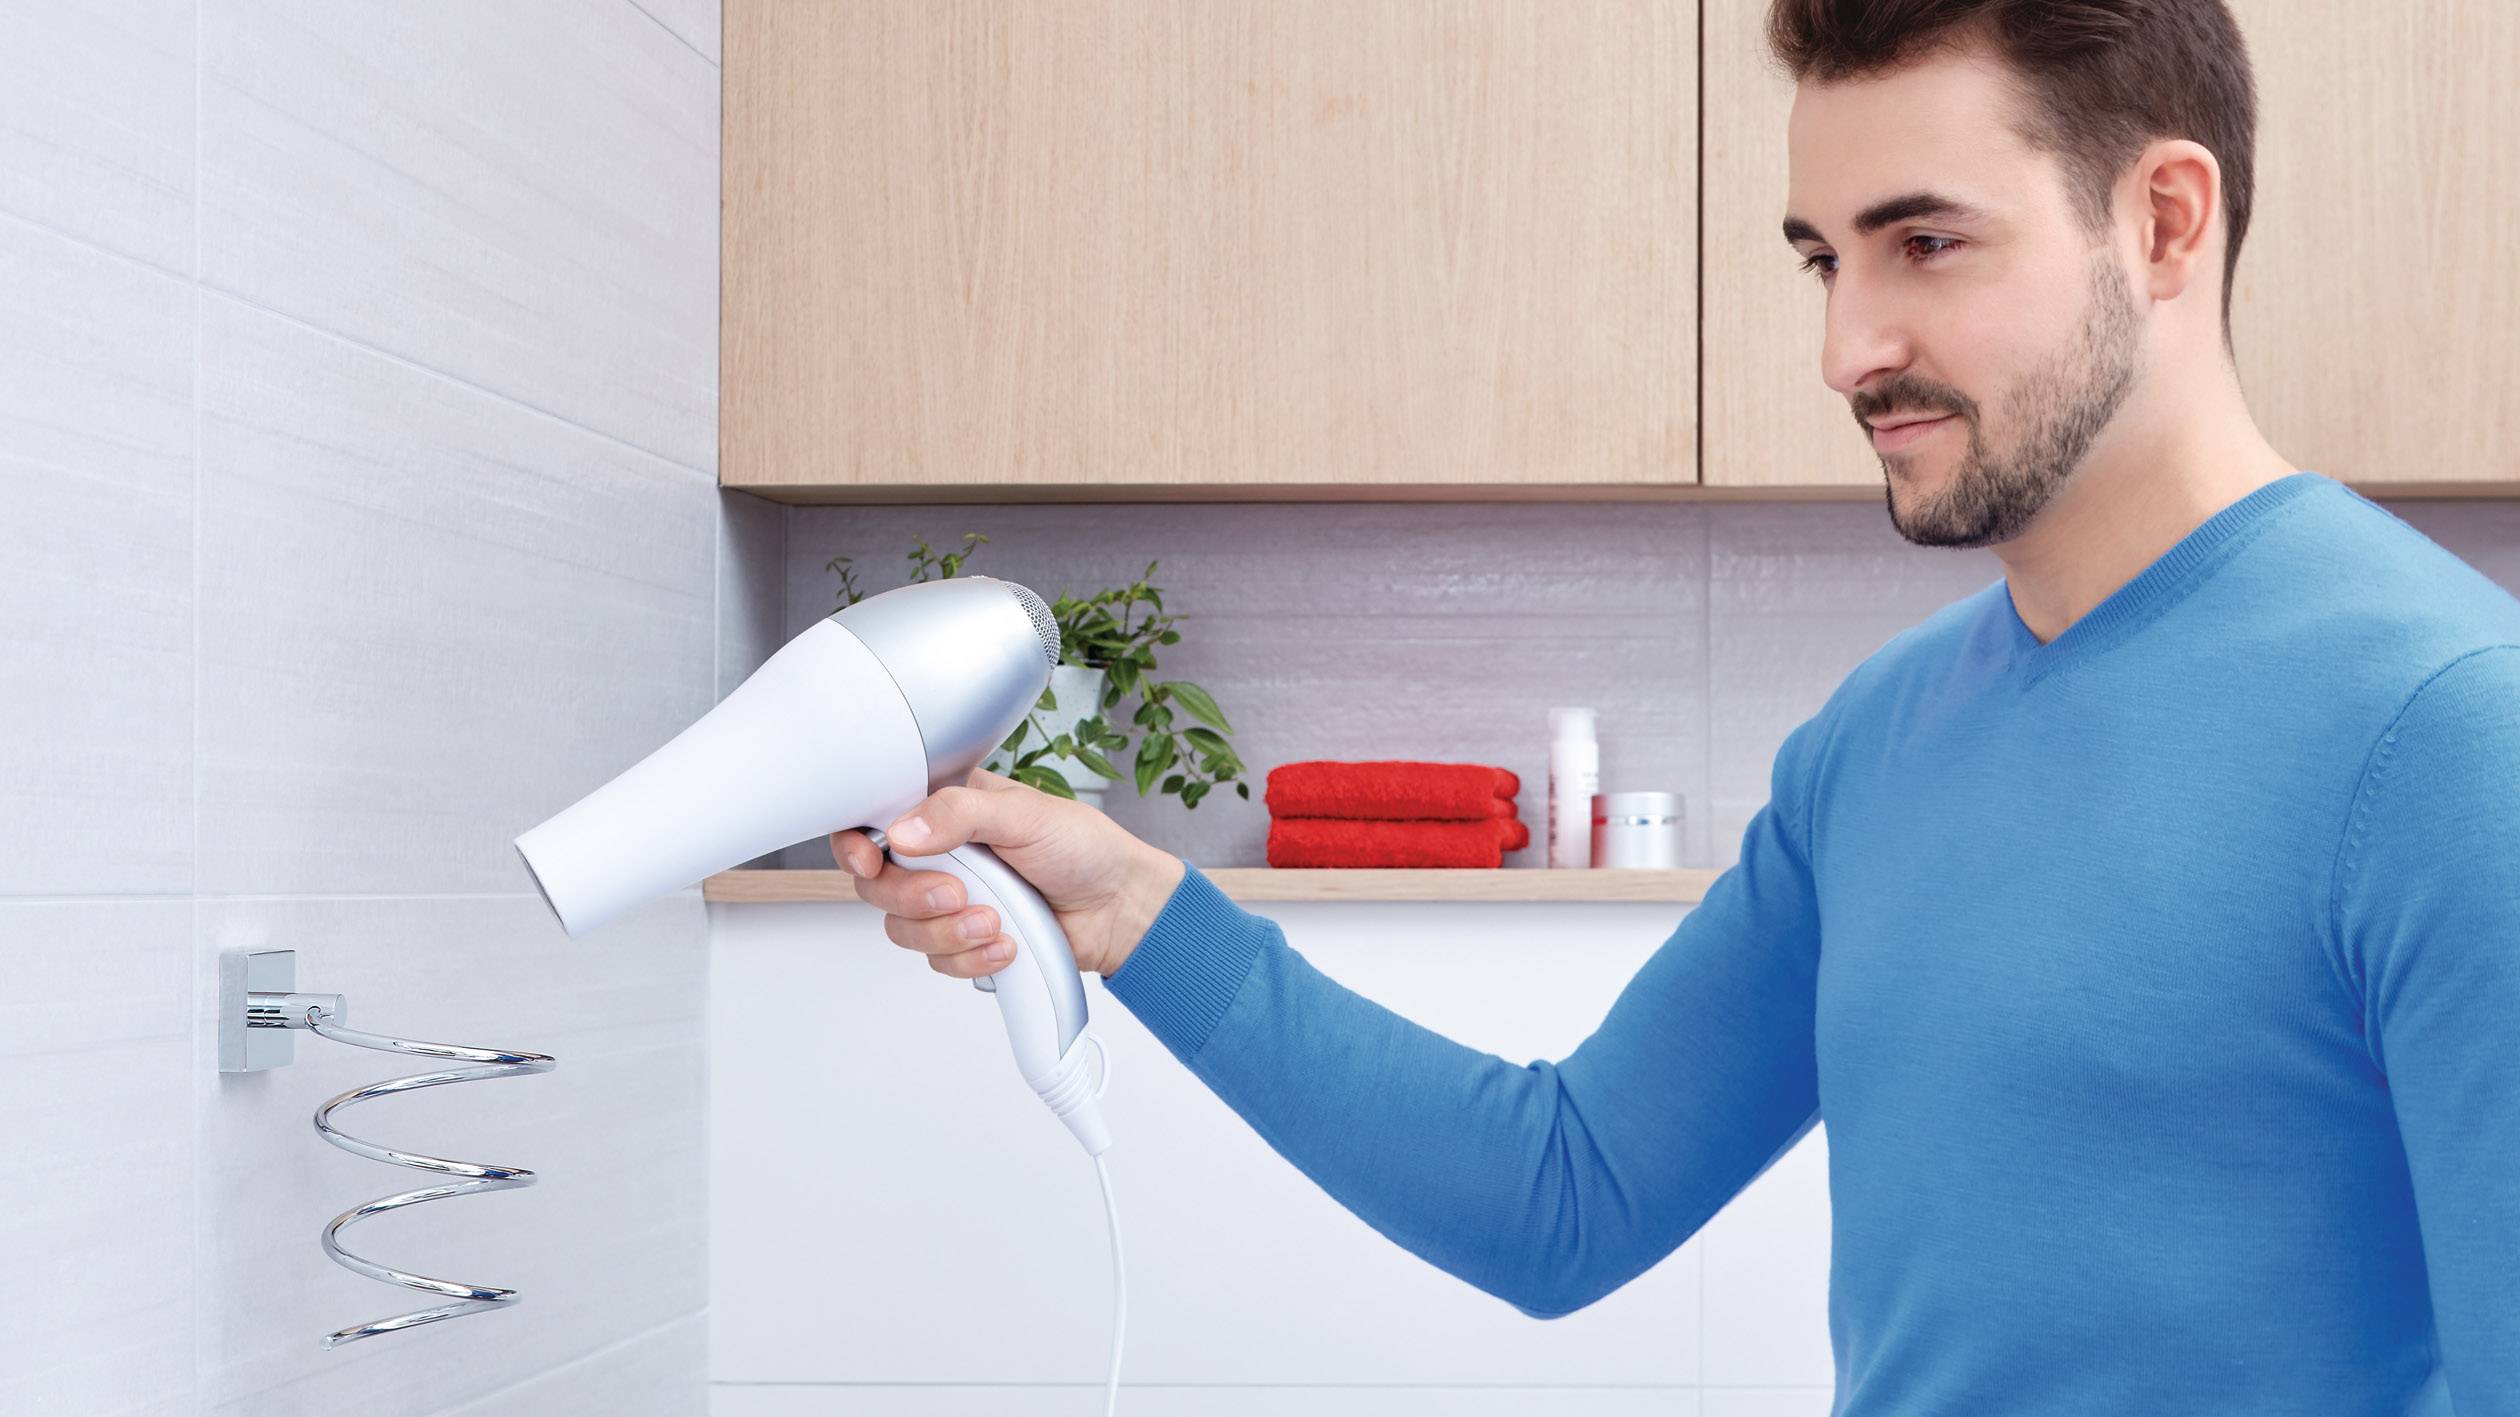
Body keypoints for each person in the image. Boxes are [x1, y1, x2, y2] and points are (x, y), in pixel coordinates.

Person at [832, 1, 2520, 1409]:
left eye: (1926, 242)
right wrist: (1138, 905)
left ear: (2162, 221)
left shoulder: (2448, 732)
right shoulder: (1877, 744)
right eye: (1822, 262)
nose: (1851, 346)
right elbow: (1565, 1194)